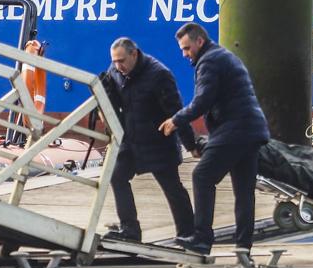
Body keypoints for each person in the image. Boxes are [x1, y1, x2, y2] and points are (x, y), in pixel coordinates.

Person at [159, 23, 270, 255]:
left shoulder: (208, 61)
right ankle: (243, 246)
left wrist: (175, 120)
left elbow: (202, 102)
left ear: (200, 41)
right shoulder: (224, 56)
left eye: (187, 48)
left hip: (235, 130)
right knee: (244, 190)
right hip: (252, 130)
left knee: (202, 176)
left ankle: (202, 239)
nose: (184, 54)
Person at [102, 37, 196, 242]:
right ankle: (130, 230)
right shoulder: (116, 70)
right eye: (115, 61)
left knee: (172, 187)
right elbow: (114, 99)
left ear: (134, 54)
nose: (118, 66)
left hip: (158, 141)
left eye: (122, 61)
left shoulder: (159, 75)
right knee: (117, 177)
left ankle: (188, 233)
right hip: (132, 139)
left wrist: (191, 144)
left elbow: (176, 110)